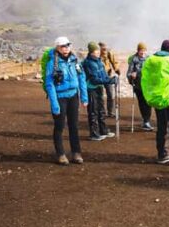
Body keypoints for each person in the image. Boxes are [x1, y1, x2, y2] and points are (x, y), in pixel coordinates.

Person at [44, 36, 88, 165]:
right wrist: (54, 104)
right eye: (63, 46)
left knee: (74, 125)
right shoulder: (52, 63)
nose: (66, 48)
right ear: (57, 47)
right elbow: (50, 84)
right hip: (60, 97)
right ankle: (61, 154)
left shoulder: (75, 60)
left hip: (73, 96)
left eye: (68, 45)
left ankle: (76, 152)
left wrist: (84, 97)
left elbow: (81, 78)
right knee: (60, 126)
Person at [82, 41, 117, 141]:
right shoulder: (88, 62)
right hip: (91, 88)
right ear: (91, 52)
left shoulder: (99, 61)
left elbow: (104, 74)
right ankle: (94, 133)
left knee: (101, 110)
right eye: (95, 51)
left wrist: (109, 79)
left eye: (98, 50)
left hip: (99, 87)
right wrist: (110, 81)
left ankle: (103, 130)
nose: (97, 52)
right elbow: (94, 79)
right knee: (93, 111)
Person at [127, 42, 154, 131]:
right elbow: (129, 73)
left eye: (144, 51)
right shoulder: (133, 60)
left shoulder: (149, 59)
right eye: (141, 51)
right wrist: (132, 76)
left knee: (148, 103)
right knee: (142, 103)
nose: (142, 52)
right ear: (138, 51)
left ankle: (146, 120)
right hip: (138, 86)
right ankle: (146, 121)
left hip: (148, 86)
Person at [99, 42, 121, 117]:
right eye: (103, 48)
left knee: (110, 95)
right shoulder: (97, 55)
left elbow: (114, 62)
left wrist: (117, 69)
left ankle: (110, 112)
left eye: (105, 48)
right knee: (100, 95)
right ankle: (101, 111)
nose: (104, 49)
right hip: (99, 77)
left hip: (107, 76)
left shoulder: (109, 53)